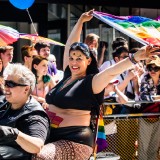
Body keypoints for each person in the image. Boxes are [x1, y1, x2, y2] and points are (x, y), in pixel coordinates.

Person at [34, 10, 160, 160]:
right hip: (49, 134)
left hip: (74, 141)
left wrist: (135, 57)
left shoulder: (92, 82)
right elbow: (69, 45)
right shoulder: (66, 77)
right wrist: (80, 21)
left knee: (39, 156)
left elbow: (111, 72)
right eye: (72, 58)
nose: (74, 62)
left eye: (79, 58)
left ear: (88, 61)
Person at [0, 63, 50, 160]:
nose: (6, 87)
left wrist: (12, 133)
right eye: (5, 83)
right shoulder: (3, 101)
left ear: (26, 89)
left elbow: (37, 146)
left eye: (10, 84)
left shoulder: (34, 114)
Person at [138, 55, 160, 160]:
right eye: (150, 68)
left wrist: (154, 98)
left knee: (154, 148)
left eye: (155, 68)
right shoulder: (145, 78)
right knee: (143, 148)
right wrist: (156, 97)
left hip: (158, 118)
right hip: (145, 117)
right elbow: (143, 97)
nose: (152, 70)